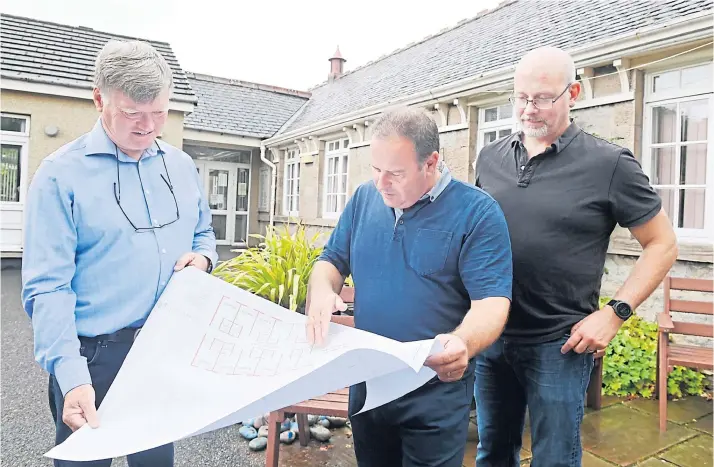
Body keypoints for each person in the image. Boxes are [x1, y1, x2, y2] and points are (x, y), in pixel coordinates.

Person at [473, 45, 678, 467]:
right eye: (521, 97)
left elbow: (663, 244)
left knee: (555, 459)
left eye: (543, 98)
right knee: (492, 453)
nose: (530, 109)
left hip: (560, 345)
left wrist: (615, 312)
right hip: (492, 336)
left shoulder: (610, 164)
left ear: (574, 93)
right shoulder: (490, 158)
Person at [21, 40, 218, 467]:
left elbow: (204, 234)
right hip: (92, 360)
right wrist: (70, 378)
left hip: (162, 352)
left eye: (161, 112)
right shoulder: (60, 177)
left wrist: (202, 260)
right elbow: (47, 289)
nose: (148, 127)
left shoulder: (182, 167)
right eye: (133, 113)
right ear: (99, 99)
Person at [305, 107, 513, 467]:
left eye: (396, 173)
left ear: (430, 163)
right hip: (369, 382)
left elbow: (492, 303)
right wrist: (322, 290)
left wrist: (463, 342)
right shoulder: (363, 200)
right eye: (375, 170)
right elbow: (330, 262)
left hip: (434, 391)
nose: (382, 183)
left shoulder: (478, 213)